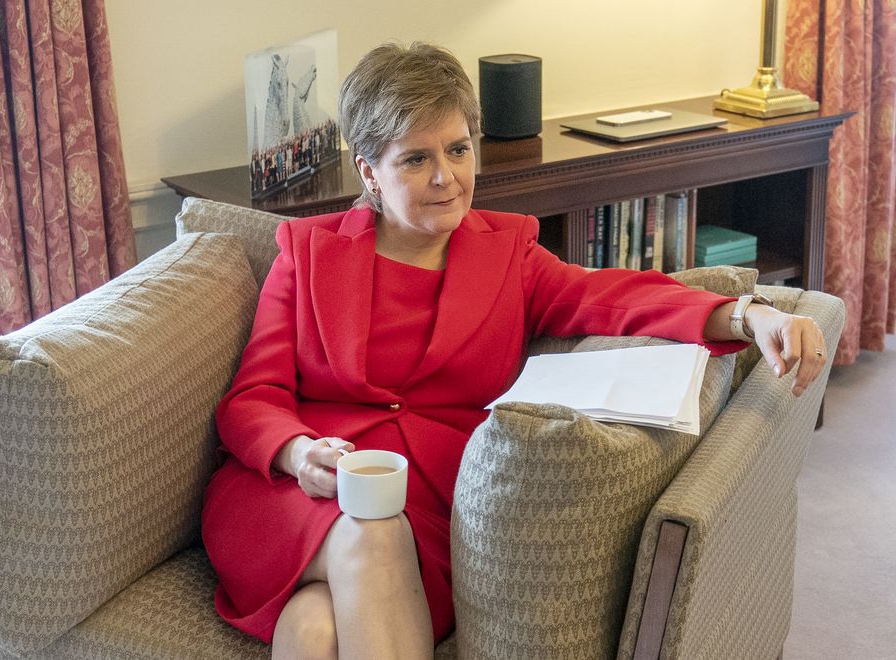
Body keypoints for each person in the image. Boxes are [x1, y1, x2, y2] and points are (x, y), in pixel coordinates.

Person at [202, 42, 828, 660]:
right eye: (416, 159)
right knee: (372, 536)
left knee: (315, 628)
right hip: (292, 491)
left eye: (457, 149)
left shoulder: (508, 255)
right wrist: (296, 452)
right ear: (369, 172)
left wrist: (746, 315)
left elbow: (611, 298)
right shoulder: (308, 254)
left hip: (431, 511)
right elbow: (252, 397)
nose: (446, 177)